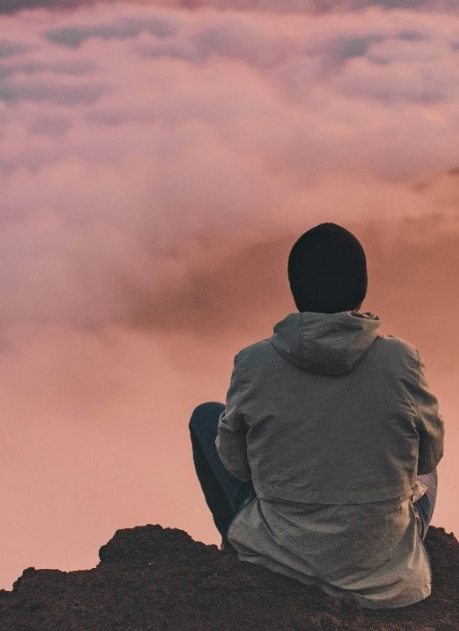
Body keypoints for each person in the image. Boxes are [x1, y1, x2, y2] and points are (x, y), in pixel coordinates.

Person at [188, 223, 444, 608]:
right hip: (383, 568)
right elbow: (427, 458)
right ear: (362, 291)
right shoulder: (402, 361)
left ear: (296, 291)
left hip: (280, 552)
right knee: (428, 474)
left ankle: (237, 544)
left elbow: (237, 467)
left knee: (206, 418)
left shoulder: (253, 362)